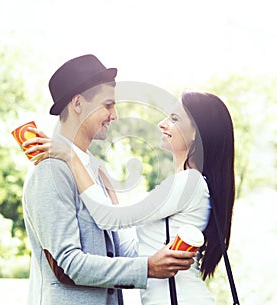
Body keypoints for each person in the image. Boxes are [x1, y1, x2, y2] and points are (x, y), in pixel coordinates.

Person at [25, 90, 235, 305]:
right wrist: (104, 182)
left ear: (196, 134)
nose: (162, 124)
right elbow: (131, 248)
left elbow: (107, 218)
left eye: (174, 119)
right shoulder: (186, 183)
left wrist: (70, 156)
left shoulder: (187, 183)